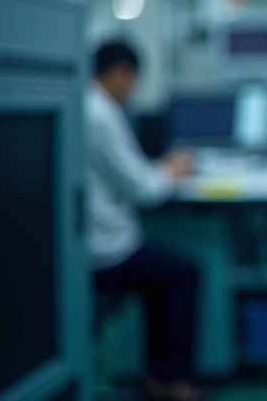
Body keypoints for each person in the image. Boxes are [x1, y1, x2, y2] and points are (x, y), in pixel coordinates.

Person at [86, 40, 204, 401]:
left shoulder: (86, 104)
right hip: (105, 249)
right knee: (185, 273)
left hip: (92, 239)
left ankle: (159, 375)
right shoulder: (101, 112)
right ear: (122, 72)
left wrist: (159, 171)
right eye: (133, 80)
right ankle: (169, 380)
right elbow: (143, 190)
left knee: (162, 275)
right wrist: (172, 171)